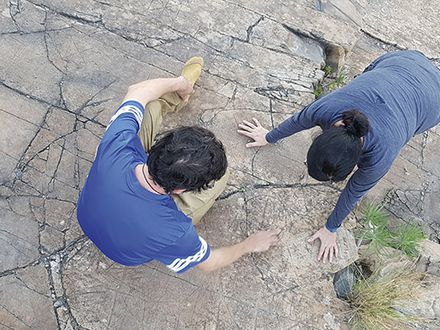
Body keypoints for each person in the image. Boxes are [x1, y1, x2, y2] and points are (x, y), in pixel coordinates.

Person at [77, 57, 278, 273]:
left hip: (87, 214)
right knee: (221, 179)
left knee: (149, 104)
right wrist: (250, 244)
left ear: (158, 146)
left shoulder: (115, 145)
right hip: (123, 253)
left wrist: (180, 83)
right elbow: (210, 263)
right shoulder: (176, 231)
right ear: (180, 190)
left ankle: (181, 93)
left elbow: (137, 90)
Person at [237, 50, 440, 263]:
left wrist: (331, 228)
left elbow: (355, 191)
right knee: (372, 83)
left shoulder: (382, 154)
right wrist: (269, 137)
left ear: (357, 162)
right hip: (401, 61)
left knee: (409, 124)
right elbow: (299, 120)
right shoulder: (327, 108)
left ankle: (405, 115)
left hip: (433, 98)